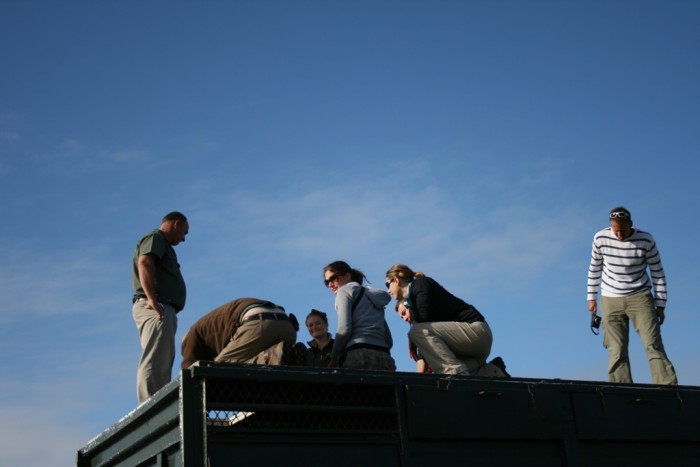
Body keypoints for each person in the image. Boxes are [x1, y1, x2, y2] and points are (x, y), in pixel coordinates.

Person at [587, 206, 677, 385]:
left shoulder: (646, 240)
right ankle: (621, 389)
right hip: (610, 298)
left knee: (652, 343)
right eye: (616, 231)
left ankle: (667, 387)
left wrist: (660, 304)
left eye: (623, 231)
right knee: (616, 349)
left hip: (640, 296)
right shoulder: (600, 238)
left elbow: (657, 273)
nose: (619, 235)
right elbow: (594, 268)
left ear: (631, 225)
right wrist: (591, 297)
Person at [385, 264, 508, 377]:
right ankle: (494, 371)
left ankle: (456, 376)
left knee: (418, 333)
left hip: (477, 332)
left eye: (387, 284)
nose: (388, 290)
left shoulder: (420, 284)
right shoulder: (414, 300)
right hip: (470, 349)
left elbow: (424, 318)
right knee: (450, 369)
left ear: (396, 280)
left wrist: (412, 338)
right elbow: (425, 344)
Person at [132, 211, 189, 404]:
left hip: (163, 307)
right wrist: (152, 299)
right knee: (155, 359)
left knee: (163, 361)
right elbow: (145, 262)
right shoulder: (156, 238)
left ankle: (160, 407)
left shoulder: (162, 243)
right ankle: (150, 409)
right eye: (184, 232)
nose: (184, 239)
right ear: (176, 224)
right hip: (156, 306)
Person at [181, 298, 297, 369]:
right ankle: (296, 358)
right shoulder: (210, 328)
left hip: (257, 324)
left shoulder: (192, 334)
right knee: (244, 361)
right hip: (287, 326)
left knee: (219, 369)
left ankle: (267, 357)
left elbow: (188, 372)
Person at [323, 260, 396, 371]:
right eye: (326, 282)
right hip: (384, 357)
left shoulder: (344, 292)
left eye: (333, 278)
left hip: (359, 354)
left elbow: (344, 329)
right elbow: (389, 340)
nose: (330, 285)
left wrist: (334, 357)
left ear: (347, 275)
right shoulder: (372, 297)